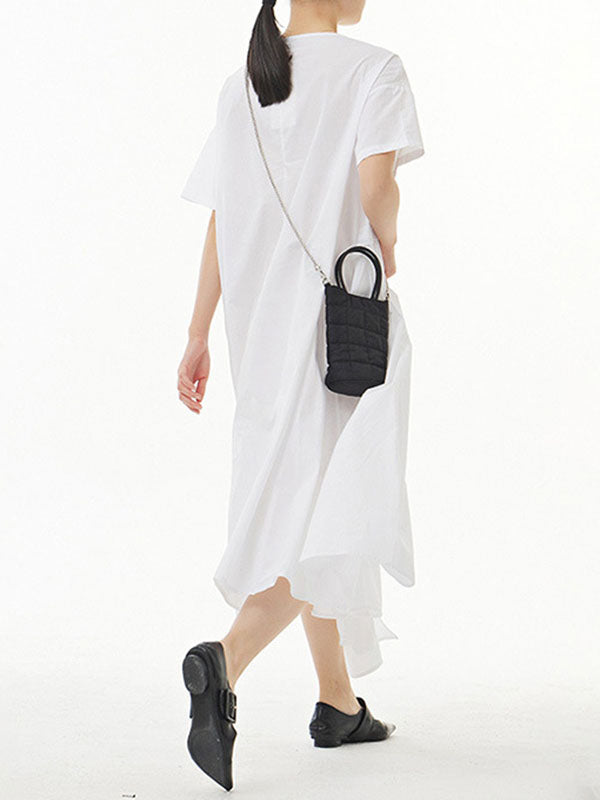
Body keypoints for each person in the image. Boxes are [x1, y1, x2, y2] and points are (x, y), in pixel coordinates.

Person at [177, 0, 425, 790]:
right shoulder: (373, 70)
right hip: (340, 329)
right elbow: (377, 187)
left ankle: (336, 701)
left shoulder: (243, 85)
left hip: (258, 332)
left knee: (311, 500)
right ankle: (226, 659)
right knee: (330, 504)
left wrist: (196, 333)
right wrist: (388, 240)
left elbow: (222, 220)